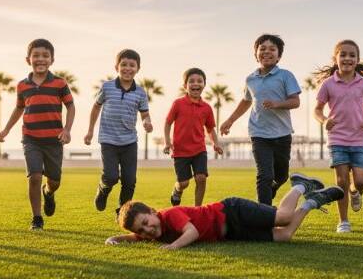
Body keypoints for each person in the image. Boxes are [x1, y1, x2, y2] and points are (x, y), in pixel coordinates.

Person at [106, 173, 344, 249]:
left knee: (283, 217)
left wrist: (173, 246)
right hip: (230, 233)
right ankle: (312, 202)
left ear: (153, 211)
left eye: (147, 221)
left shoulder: (169, 215)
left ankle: (300, 185)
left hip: (231, 211)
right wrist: (115, 237)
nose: (149, 229)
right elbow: (134, 236)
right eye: (143, 230)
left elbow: (191, 232)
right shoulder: (150, 232)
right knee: (284, 235)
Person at [0, 39, 75, 231]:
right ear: (28, 59)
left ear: (52, 59)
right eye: (36, 55)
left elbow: (71, 106)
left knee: (54, 181)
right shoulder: (22, 86)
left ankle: (48, 193)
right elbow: (18, 109)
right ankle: (37, 218)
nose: (40, 59)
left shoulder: (59, 83)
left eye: (45, 55)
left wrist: (67, 129)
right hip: (31, 139)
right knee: (34, 176)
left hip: (54, 140)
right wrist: (6, 129)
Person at [219, 34, 301, 204]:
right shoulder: (251, 79)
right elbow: (246, 101)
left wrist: (277, 104)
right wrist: (230, 120)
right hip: (259, 133)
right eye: (262, 49)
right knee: (264, 175)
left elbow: (295, 101)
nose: (266, 52)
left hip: (282, 134)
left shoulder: (286, 75)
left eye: (272, 49)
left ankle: (270, 190)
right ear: (256, 54)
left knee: (281, 175)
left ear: (279, 55)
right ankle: (263, 214)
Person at [312, 40, 363, 233]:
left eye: (352, 55)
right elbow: (316, 110)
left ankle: (354, 191)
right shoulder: (328, 84)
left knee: (361, 180)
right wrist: (324, 120)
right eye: (343, 54)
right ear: (336, 58)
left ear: (357, 60)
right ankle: (343, 221)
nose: (347, 58)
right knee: (341, 180)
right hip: (337, 139)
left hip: (359, 139)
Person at [85, 49, 152, 216]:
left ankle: (123, 212)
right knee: (111, 176)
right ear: (117, 67)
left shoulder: (140, 92)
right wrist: (90, 131)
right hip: (108, 140)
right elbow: (95, 108)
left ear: (138, 68)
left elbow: (144, 114)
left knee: (130, 181)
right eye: (124, 64)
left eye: (132, 65)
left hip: (129, 141)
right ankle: (103, 189)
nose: (127, 68)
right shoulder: (107, 87)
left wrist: (147, 122)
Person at [163, 68, 223, 206]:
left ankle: (198, 209)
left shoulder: (207, 108)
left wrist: (216, 143)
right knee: (184, 183)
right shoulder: (178, 104)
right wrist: (167, 143)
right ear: (185, 86)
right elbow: (167, 123)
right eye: (191, 81)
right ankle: (177, 190)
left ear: (204, 84)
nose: (196, 84)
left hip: (199, 150)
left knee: (201, 178)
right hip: (180, 151)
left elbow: (210, 129)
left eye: (199, 81)